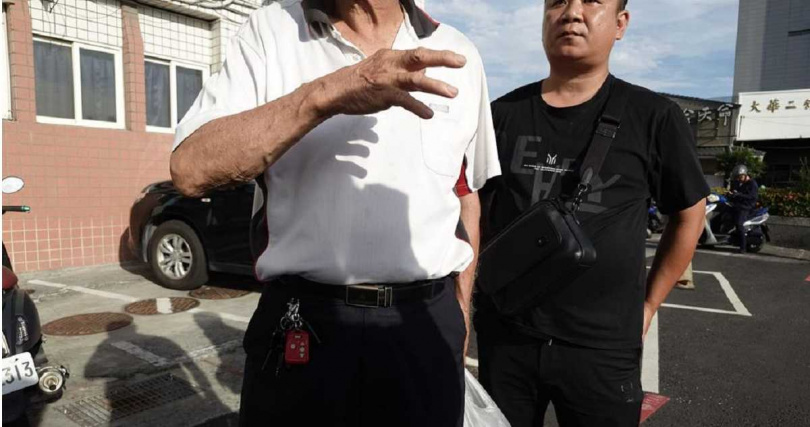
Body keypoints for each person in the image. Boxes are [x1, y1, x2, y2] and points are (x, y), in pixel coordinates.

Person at [169, 1, 501, 426]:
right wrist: (327, 94)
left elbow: (466, 197)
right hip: (304, 322)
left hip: (424, 325)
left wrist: (459, 314)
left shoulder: (459, 53)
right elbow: (190, 168)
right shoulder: (271, 29)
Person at [474, 0, 709, 426]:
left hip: (603, 347)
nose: (571, 12)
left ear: (620, 24)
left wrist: (648, 305)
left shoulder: (654, 116)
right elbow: (474, 214)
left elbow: (689, 214)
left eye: (591, 2)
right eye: (557, 2)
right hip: (507, 337)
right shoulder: (501, 114)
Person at [728, 164, 759, 253]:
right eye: (737, 177)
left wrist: (739, 194)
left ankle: (743, 247)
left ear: (745, 175)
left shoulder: (752, 184)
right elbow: (737, 193)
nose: (739, 179)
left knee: (739, 224)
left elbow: (752, 196)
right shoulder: (740, 183)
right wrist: (731, 194)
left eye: (740, 177)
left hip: (746, 207)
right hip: (738, 205)